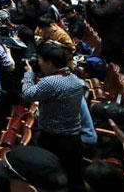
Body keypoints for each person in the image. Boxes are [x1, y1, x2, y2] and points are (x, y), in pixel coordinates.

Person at [21, 44, 85, 192]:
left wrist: (28, 75)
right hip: (74, 138)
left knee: (51, 180)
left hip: (53, 139)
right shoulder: (74, 78)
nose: (39, 63)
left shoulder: (50, 82)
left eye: (40, 60)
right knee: (74, 178)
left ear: (50, 62)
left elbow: (27, 95)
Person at [88, 0, 124, 67]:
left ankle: (120, 77)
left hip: (115, 36)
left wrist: (93, 5)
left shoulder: (115, 2)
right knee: (117, 58)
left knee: (114, 59)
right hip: (117, 34)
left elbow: (101, 13)